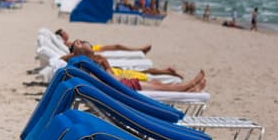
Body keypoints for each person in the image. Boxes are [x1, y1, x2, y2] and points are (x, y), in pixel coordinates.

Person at [67, 44, 206, 92]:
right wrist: (107, 67)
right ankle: (189, 86)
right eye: (78, 43)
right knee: (160, 86)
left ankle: (190, 90)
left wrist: (105, 65)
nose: (80, 42)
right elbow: (107, 80)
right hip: (122, 86)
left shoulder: (88, 63)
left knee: (157, 83)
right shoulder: (84, 65)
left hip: (122, 83)